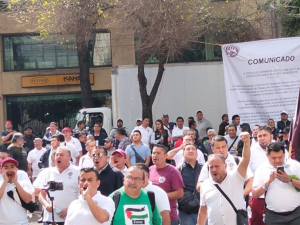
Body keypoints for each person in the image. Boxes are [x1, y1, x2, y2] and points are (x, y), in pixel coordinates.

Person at [197, 132, 251, 225]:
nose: (213, 169)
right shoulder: (205, 185)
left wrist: (246, 142)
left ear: (225, 166)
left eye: (217, 166)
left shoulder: (235, 177)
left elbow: (245, 159)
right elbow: (203, 210)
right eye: (211, 167)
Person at [252, 142, 300, 225]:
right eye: (273, 158)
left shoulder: (295, 165)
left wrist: (290, 180)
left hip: (297, 215)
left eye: (280, 157)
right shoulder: (261, 169)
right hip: (274, 217)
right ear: (267, 156)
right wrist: (268, 182)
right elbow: (255, 194)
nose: (277, 160)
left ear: (284, 154)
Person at [197, 135, 253, 200]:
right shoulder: (208, 165)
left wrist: (241, 194)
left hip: (236, 203)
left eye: (223, 147)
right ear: (212, 149)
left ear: (227, 146)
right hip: (215, 202)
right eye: (218, 148)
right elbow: (199, 186)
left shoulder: (238, 161)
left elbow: (251, 181)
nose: (221, 150)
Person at [38, 147, 80, 225]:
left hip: (71, 217)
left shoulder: (78, 171)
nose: (58, 157)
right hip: (50, 218)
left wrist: (70, 209)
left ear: (69, 158)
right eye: (57, 155)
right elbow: (41, 194)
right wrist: (46, 205)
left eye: (61, 155)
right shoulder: (47, 172)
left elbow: (82, 195)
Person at [149, 144, 184, 225]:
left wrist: (159, 196)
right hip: (152, 216)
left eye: (158, 153)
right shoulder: (149, 170)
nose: (155, 156)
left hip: (169, 217)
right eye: (153, 153)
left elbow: (180, 193)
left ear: (165, 156)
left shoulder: (173, 171)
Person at [0, 157, 34, 225]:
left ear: (16, 169)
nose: (9, 169)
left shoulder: (23, 183)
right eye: (6, 167)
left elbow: (28, 199)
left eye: (12, 167)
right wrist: (5, 182)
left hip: (22, 223)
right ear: (1, 171)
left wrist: (15, 182)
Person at [177, 143, 202, 225]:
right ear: (183, 154)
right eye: (188, 149)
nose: (191, 151)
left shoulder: (204, 168)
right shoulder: (178, 169)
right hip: (185, 209)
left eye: (193, 149)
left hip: (202, 207)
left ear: (197, 154)